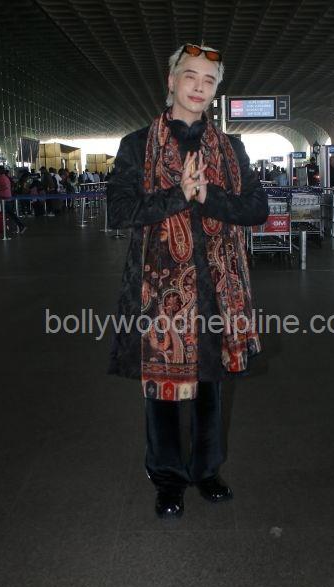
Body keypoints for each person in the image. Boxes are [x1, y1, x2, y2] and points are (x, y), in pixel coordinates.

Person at [107, 43, 268, 520]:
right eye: (191, 76)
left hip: (219, 289)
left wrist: (208, 195)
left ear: (216, 91)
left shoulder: (231, 148)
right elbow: (120, 210)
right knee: (161, 390)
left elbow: (256, 208)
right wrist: (177, 195)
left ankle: (206, 469)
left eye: (209, 80)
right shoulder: (137, 145)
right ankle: (167, 478)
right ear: (172, 80)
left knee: (210, 387)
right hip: (159, 292)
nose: (199, 87)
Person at [0, 166, 26, 233]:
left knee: (7, 214)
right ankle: (15, 227)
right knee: (9, 214)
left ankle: (20, 226)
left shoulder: (1, 178)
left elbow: (5, 186)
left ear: (0, 171)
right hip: (7, 196)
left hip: (4, 198)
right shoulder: (6, 177)